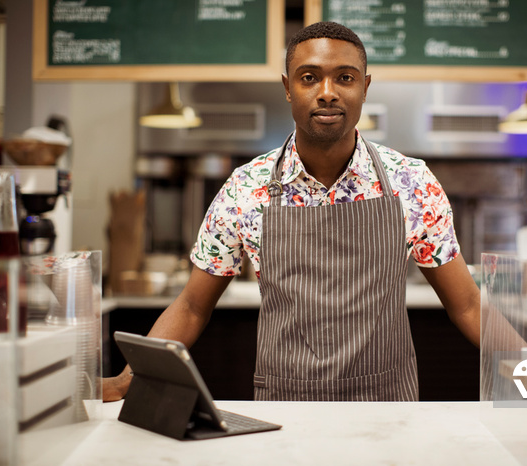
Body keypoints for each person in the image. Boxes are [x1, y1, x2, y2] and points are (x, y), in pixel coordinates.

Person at [103, 21, 480, 402]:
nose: (327, 93)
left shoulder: (409, 181)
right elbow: (191, 306)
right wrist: (130, 377)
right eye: (309, 78)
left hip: (385, 409)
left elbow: (467, 304)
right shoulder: (246, 187)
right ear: (288, 88)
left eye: (345, 78)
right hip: (285, 410)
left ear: (365, 88)